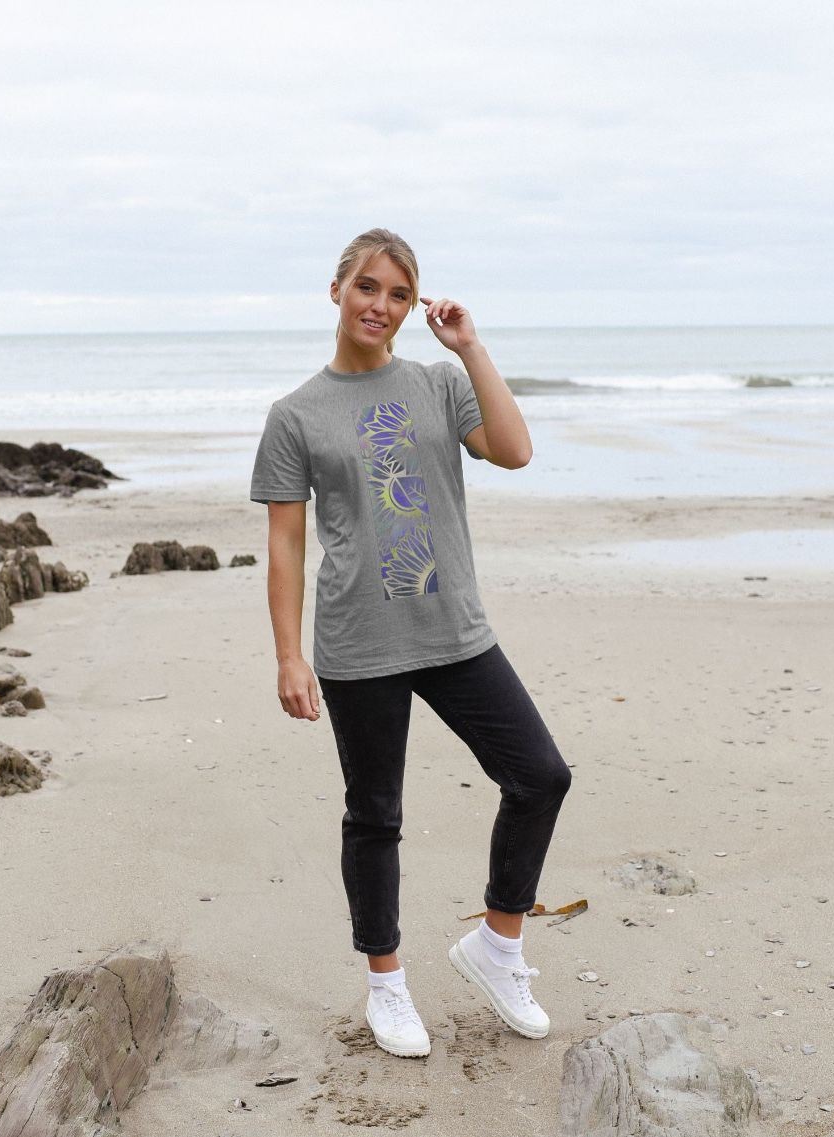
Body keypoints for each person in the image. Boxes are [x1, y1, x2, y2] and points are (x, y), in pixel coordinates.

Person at [250, 228, 572, 1059]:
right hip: (359, 645)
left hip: (455, 631)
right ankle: (386, 985)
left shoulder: (437, 382)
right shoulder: (295, 415)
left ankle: (498, 948)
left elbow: (515, 450)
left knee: (539, 775)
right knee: (376, 815)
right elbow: (286, 544)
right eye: (368, 287)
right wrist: (288, 654)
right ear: (337, 291)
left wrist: (470, 346)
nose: (381, 306)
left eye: (398, 294)